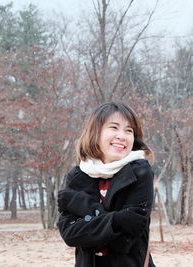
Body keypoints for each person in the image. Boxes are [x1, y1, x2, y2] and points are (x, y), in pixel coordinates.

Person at [57, 102, 155, 267]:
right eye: (114, 127)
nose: (122, 136)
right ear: (95, 132)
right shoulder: (77, 175)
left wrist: (81, 206)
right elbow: (69, 233)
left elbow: (128, 236)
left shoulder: (140, 172)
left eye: (129, 130)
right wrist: (117, 220)